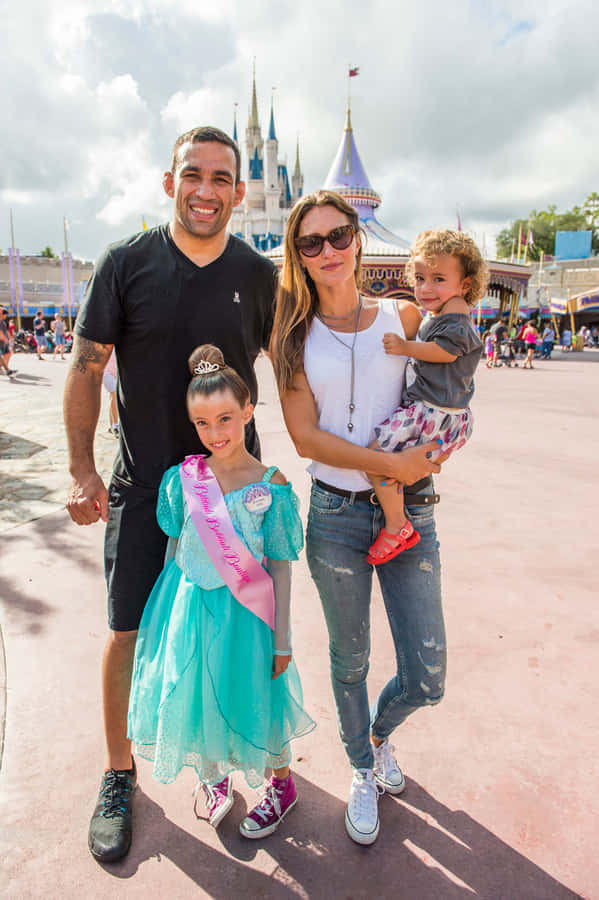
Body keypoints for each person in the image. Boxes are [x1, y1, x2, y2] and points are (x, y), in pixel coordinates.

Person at [64, 125, 277, 863]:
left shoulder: (259, 275)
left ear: (239, 191)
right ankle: (118, 773)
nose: (205, 190)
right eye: (193, 174)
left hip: (232, 493)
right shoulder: (125, 263)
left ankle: (227, 754)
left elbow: (299, 368)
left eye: (221, 178)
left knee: (237, 629)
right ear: (169, 182)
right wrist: (82, 469)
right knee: (126, 629)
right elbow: (87, 368)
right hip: (144, 486)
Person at [270, 190, 446, 846]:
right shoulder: (292, 336)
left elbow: (444, 397)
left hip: (410, 512)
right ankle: (362, 768)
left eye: (338, 235)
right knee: (350, 660)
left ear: (357, 239)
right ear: (298, 255)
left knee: (427, 677)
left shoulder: (403, 315)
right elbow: (306, 439)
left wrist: (436, 450)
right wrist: (386, 462)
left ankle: (377, 735)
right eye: (310, 242)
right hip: (336, 516)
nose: (328, 251)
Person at [128, 344, 314, 836]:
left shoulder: (271, 485)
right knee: (200, 698)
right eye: (203, 423)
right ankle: (215, 777)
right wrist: (164, 621)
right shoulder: (184, 478)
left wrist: (282, 640)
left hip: (247, 618)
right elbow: (175, 551)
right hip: (190, 611)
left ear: (248, 410)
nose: (216, 433)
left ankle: (281, 784)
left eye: (226, 419)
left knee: (257, 698)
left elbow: (281, 568)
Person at [365, 230, 485, 563]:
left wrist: (405, 347)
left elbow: (444, 352)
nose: (426, 288)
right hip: (447, 415)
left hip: (431, 412)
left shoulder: (455, 319)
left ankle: (397, 525)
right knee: (403, 467)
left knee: (375, 458)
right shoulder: (449, 313)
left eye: (438, 279)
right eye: (420, 279)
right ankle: (400, 507)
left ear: (465, 284)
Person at [102, 349, 119, 437]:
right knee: (114, 395)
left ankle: (112, 425)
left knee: (112, 397)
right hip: (107, 373)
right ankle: (116, 425)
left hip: (116, 373)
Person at [0, 308, 17, 377]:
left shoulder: (3, 322)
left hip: (4, 341)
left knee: (8, 354)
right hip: (1, 341)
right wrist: (4, 339)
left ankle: (6, 368)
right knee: (2, 356)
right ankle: (7, 370)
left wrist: (9, 337)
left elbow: (6, 330)